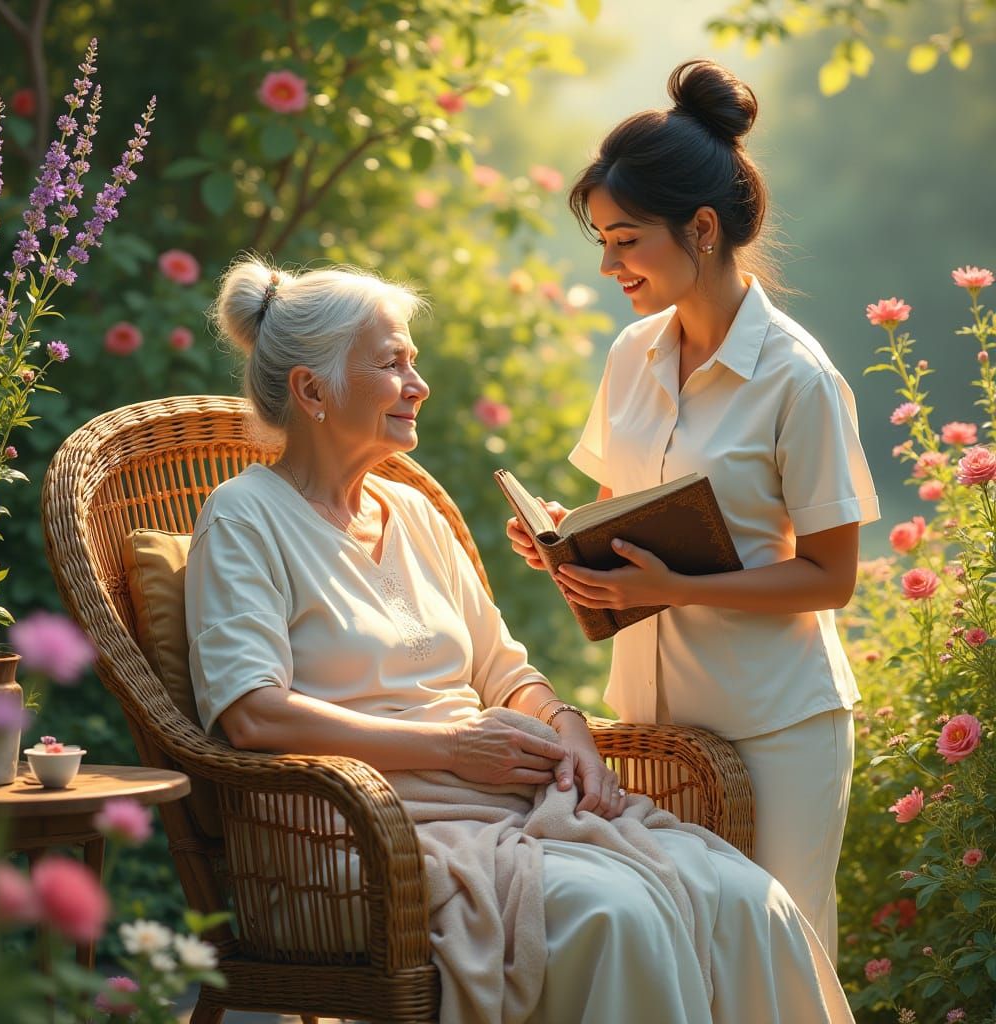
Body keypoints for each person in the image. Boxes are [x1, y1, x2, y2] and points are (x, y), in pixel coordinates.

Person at [186, 255, 855, 1024]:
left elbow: (505, 673)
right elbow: (254, 715)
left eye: (415, 361)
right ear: (311, 390)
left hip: (500, 806)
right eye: (393, 363)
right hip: (362, 838)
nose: (419, 383)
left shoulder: (414, 513)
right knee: (617, 914)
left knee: (742, 898)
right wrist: (451, 750)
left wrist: (569, 730)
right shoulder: (243, 519)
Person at [506, 59, 879, 961]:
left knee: (783, 966)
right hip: (651, 723)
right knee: (677, 961)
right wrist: (563, 543)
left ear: (701, 229)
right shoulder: (632, 355)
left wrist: (681, 584)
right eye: (601, 240)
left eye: (626, 240)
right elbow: (619, 514)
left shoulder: (798, 378)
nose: (607, 265)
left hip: (775, 727)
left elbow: (831, 578)